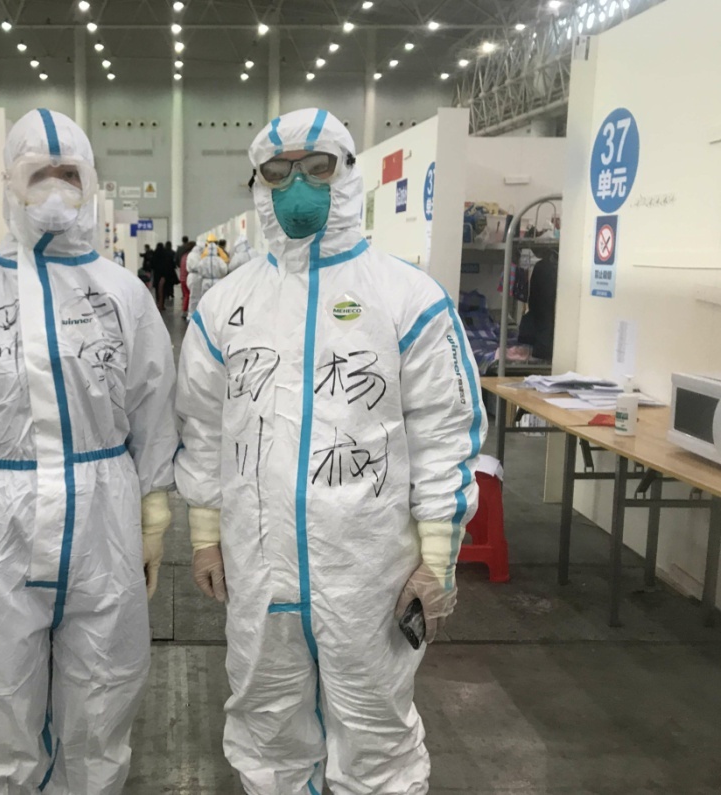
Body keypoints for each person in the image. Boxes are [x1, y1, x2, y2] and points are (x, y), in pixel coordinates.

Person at [174, 108, 485, 794]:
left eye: (317, 169)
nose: (298, 188)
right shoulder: (225, 307)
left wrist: (438, 556)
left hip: (369, 572)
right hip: (258, 568)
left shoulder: (408, 299)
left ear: (348, 174)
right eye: (278, 173)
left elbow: (444, 435)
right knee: (265, 728)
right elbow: (203, 429)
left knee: (375, 735)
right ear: (257, 183)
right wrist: (203, 536)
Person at [0, 108, 178, 794]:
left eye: (68, 174)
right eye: (38, 173)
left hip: (103, 514)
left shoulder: (124, 295)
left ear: (90, 182)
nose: (54, 188)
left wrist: (154, 513)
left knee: (103, 698)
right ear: (9, 183)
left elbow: (153, 406)